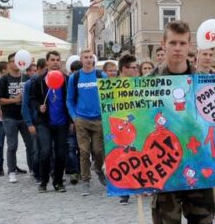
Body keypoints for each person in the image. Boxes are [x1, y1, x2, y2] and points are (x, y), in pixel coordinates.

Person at [149, 20, 215, 224]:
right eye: (172, 43)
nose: (177, 48)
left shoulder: (204, 82)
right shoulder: (148, 83)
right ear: (163, 45)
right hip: (164, 171)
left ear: (191, 46)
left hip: (198, 168)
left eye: (183, 43)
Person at [28, 51, 71, 193]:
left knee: (61, 153)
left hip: (62, 122)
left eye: (57, 60)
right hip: (44, 122)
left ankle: (58, 182)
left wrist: (71, 121)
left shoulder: (66, 79)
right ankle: (44, 181)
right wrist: (39, 107)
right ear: (47, 62)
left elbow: (70, 100)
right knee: (45, 152)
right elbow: (32, 99)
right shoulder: (39, 80)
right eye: (52, 59)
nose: (55, 62)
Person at [66, 49, 107, 196]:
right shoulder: (75, 77)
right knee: (84, 151)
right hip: (81, 119)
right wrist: (74, 116)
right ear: (81, 60)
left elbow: (108, 97)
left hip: (98, 119)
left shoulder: (101, 75)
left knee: (98, 150)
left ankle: (98, 169)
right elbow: (69, 99)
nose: (89, 60)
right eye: (86, 58)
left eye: (91, 57)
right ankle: (86, 180)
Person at [0, 52, 34, 184]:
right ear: (9, 63)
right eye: (12, 61)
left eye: (17, 60)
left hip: (25, 117)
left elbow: (33, 97)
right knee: (12, 146)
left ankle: (33, 169)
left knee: (30, 145)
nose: (15, 63)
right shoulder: (4, 79)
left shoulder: (27, 78)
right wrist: (15, 100)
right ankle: (11, 171)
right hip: (10, 117)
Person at [115, 54, 140, 204]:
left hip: (136, 126)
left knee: (136, 157)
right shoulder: (113, 86)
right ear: (124, 69)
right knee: (122, 158)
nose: (136, 70)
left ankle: (138, 185)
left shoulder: (138, 84)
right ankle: (124, 191)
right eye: (133, 68)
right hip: (121, 128)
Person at [22, 61, 44, 184]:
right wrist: (29, 123)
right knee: (36, 149)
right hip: (34, 121)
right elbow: (24, 105)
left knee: (47, 149)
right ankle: (37, 174)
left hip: (46, 121)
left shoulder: (46, 81)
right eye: (32, 70)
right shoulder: (29, 84)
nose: (34, 73)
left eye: (35, 70)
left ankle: (47, 171)